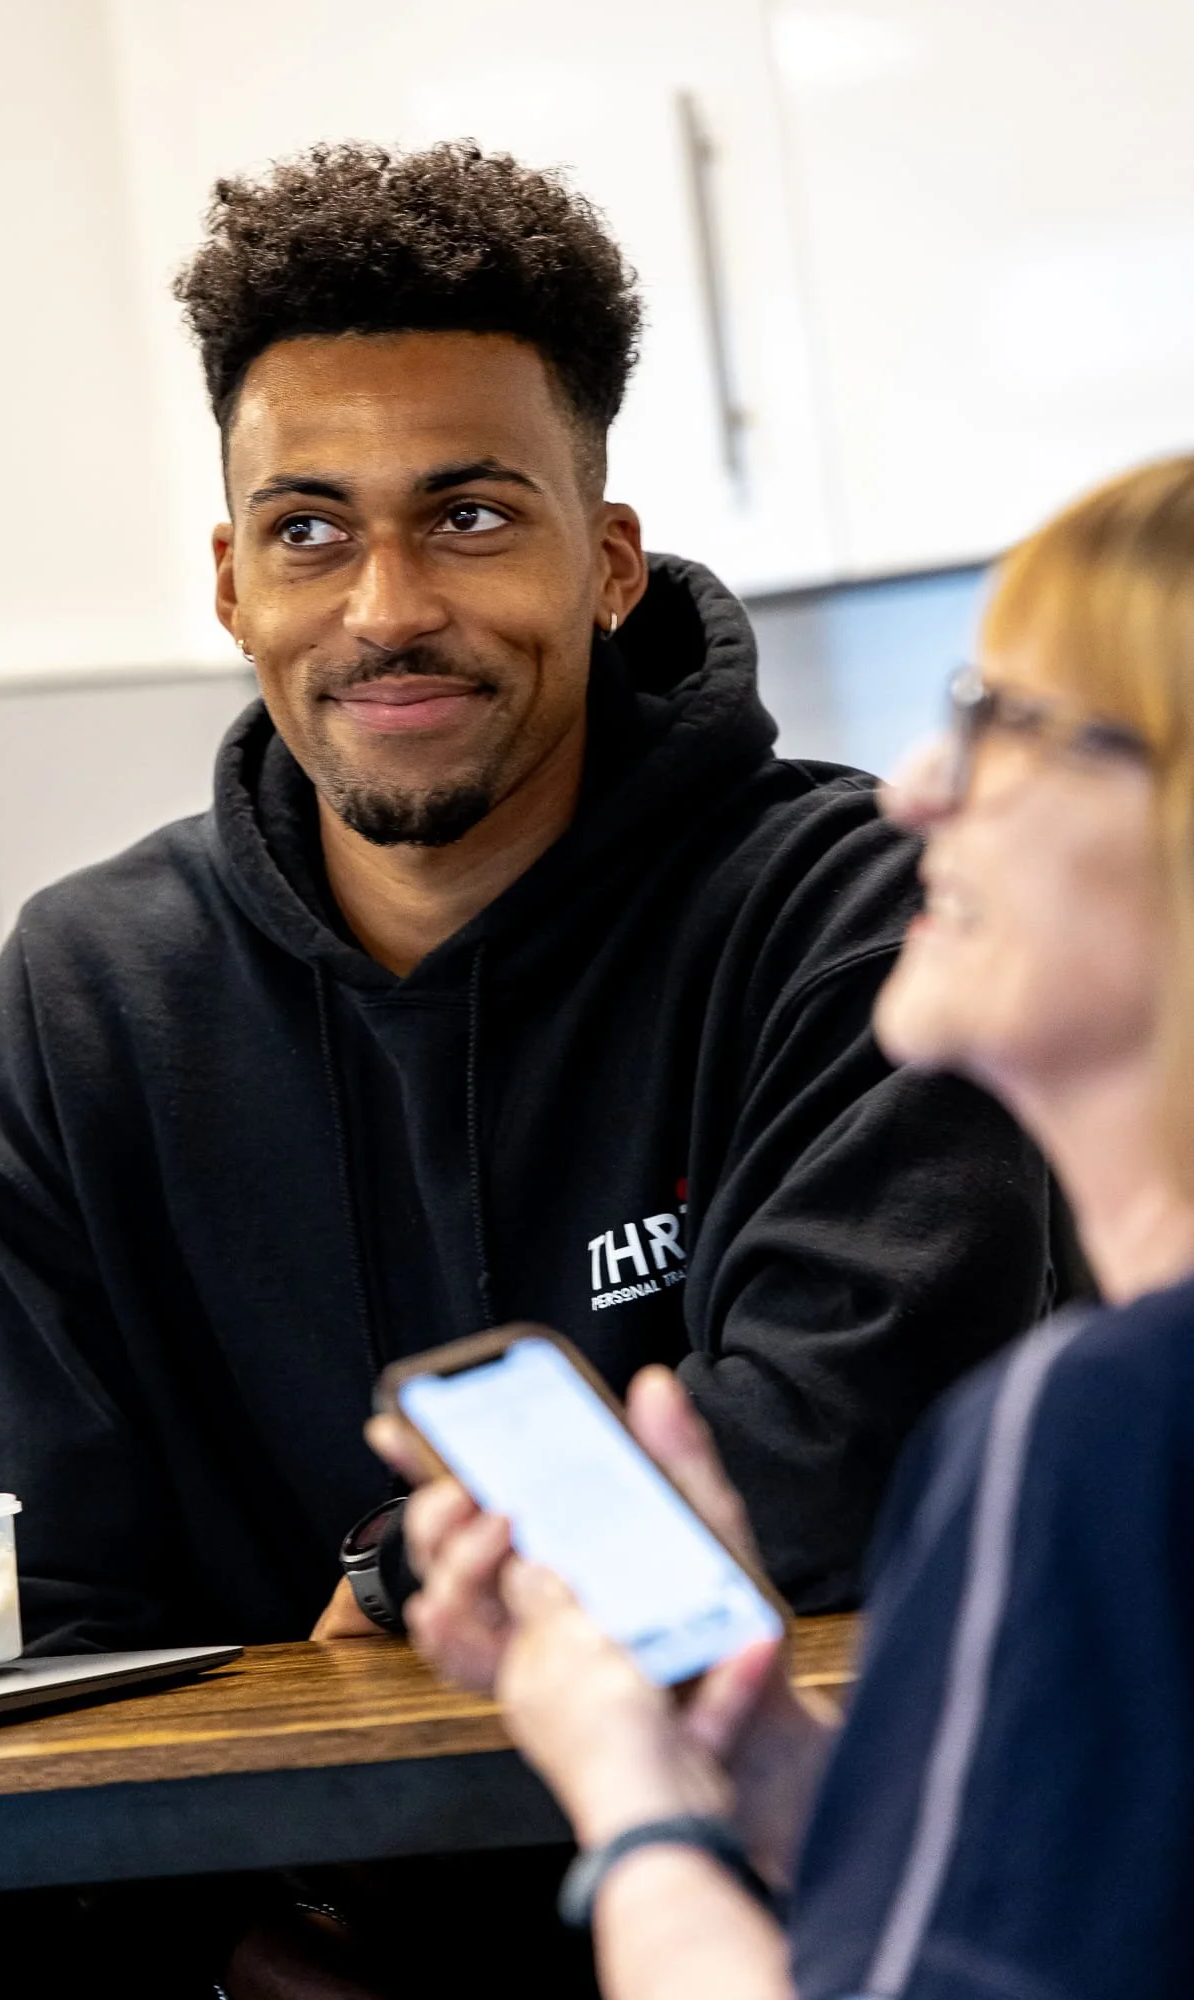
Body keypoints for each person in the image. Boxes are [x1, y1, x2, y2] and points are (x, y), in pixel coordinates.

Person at [0, 142, 1047, 1994]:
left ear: (606, 561)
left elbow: (836, 1465)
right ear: (228, 582)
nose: (381, 607)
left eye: (466, 517)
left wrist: (385, 1585)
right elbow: (46, 1629)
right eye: (307, 529)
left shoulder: (864, 917)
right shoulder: (88, 995)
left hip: (808, 1931)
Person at [379, 451, 1194, 1999]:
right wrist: (754, 1753)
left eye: (1003, 723)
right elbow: (1042, 1920)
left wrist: (632, 1801)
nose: (916, 790)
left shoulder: (1101, 1427)